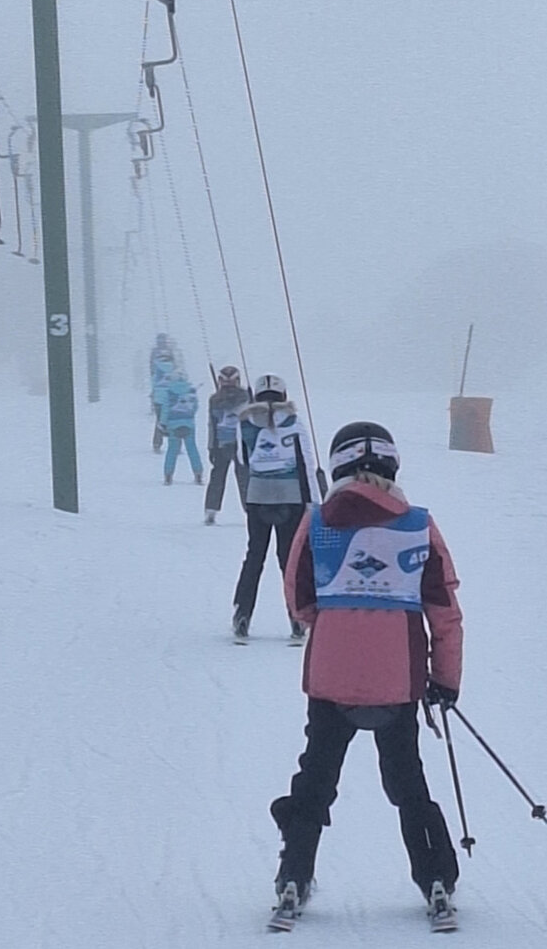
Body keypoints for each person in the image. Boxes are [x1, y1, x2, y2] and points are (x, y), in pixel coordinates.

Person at [268, 422, 462, 928]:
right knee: (407, 781)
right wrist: (445, 680)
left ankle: (293, 875)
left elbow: (298, 598)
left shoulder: (317, 522)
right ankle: (436, 878)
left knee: (316, 777)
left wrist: (337, 621)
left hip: (330, 678)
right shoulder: (419, 524)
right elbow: (444, 612)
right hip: (398, 681)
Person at [232, 374, 322, 640]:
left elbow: (243, 459)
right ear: (284, 396)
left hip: (258, 496)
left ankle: (242, 613)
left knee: (254, 556)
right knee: (289, 558)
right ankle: (297, 616)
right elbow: (306, 462)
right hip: (291, 497)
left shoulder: (244, 422)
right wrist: (314, 503)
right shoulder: (294, 422)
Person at [204, 365, 249, 524]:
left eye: (231, 381)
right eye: (225, 381)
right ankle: (211, 510)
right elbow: (212, 424)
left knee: (244, 477)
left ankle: (249, 509)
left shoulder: (246, 397)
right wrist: (211, 446)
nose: (228, 385)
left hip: (242, 443)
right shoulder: (215, 400)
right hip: (222, 443)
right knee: (218, 476)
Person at [157, 370, 204, 486]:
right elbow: (195, 407)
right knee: (192, 449)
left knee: (172, 450)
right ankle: (198, 473)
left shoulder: (169, 392)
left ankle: (168, 475)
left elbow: (165, 409)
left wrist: (163, 423)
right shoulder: (191, 391)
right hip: (189, 424)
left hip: (173, 425)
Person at [149, 336, 177, 453]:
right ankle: (175, 444)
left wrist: (154, 394)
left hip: (158, 399)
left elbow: (153, 382)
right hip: (171, 398)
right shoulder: (174, 370)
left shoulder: (157, 370)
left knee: (159, 421)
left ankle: (157, 443)